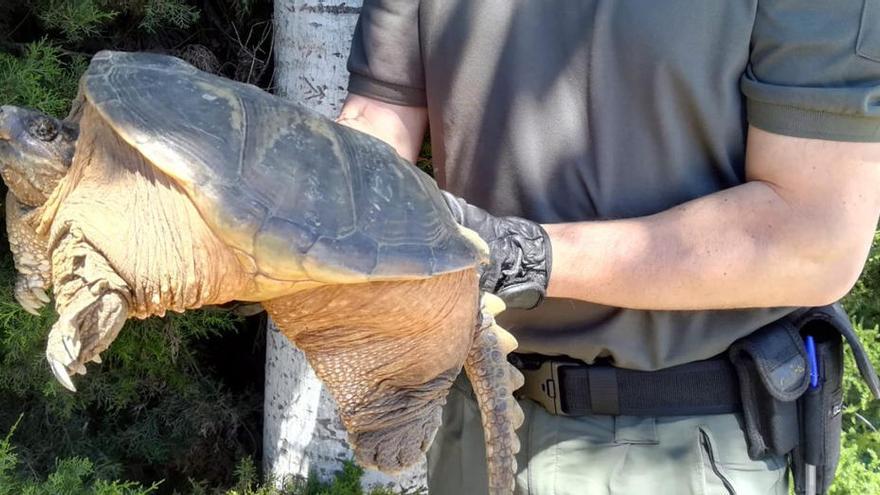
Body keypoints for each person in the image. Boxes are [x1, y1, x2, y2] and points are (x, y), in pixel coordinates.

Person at [335, 1, 880, 493]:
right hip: (474, 424)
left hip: (677, 448)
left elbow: (814, 236)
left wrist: (526, 256)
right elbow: (375, 126)